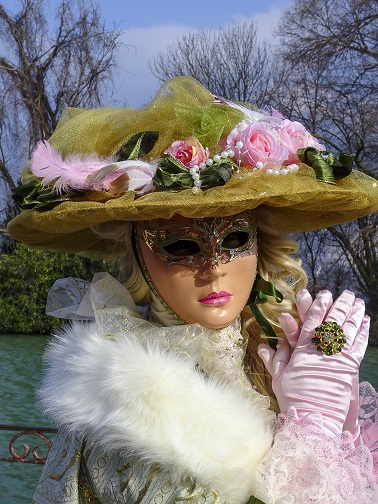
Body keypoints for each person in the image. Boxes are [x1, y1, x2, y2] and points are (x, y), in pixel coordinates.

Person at [7, 76, 378, 503]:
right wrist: (314, 429)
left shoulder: (279, 359)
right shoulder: (127, 410)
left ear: (261, 245)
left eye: (236, 240)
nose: (215, 268)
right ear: (135, 258)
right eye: (181, 246)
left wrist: (332, 415)